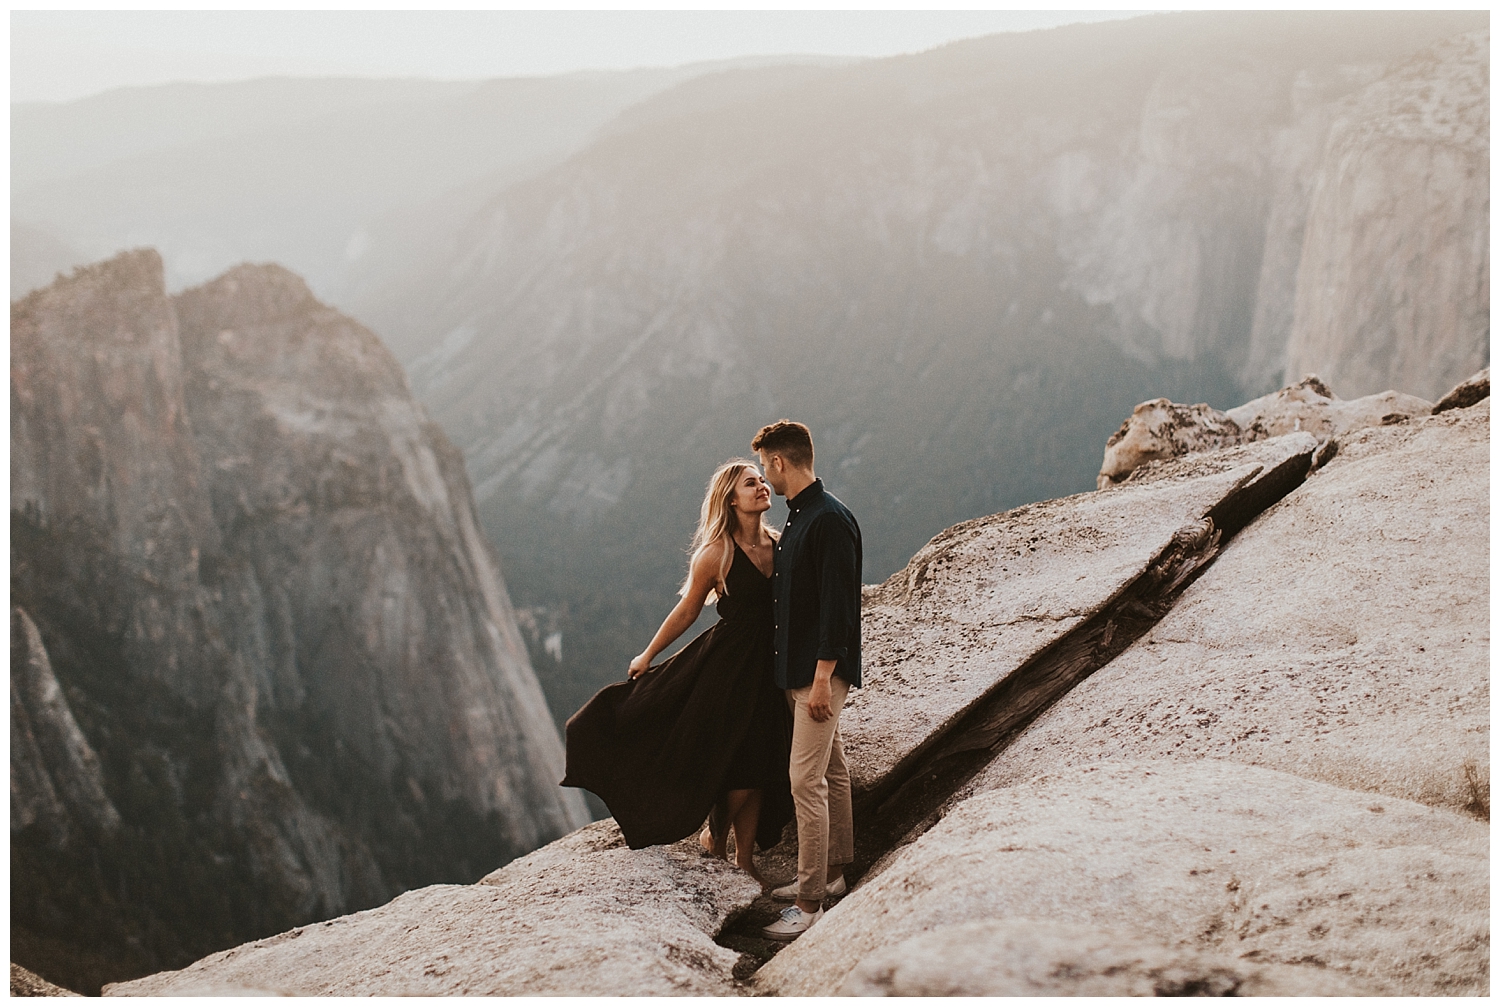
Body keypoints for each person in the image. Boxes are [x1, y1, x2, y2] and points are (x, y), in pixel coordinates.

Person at [561, 459, 792, 886]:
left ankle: (743, 859)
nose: (762, 486)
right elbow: (687, 610)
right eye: (750, 483)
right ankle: (718, 845)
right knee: (734, 758)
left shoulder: (780, 544)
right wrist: (648, 654)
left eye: (762, 480)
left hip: (769, 667)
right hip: (727, 667)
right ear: (730, 498)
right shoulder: (717, 553)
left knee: (760, 758)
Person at [752, 420, 862, 941]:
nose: (762, 477)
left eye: (763, 466)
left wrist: (822, 679)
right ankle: (835, 874)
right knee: (833, 772)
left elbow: (838, 610)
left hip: (817, 676)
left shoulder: (829, 521)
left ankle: (808, 901)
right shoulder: (800, 518)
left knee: (805, 782)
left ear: (779, 462)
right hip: (798, 671)